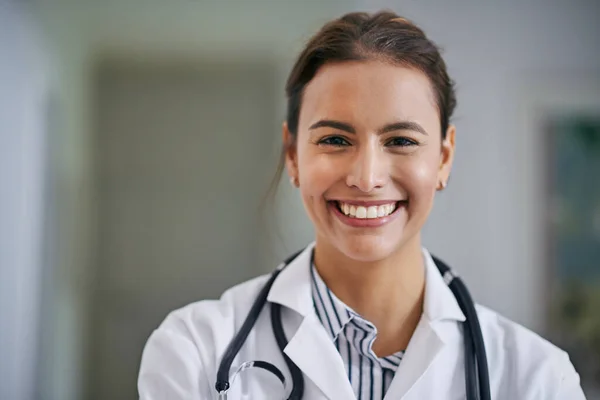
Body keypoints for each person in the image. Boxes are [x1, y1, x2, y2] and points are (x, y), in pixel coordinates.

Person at [137, 11, 585, 400]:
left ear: (444, 157)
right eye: (335, 139)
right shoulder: (194, 351)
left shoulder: (538, 379)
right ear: (293, 155)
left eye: (401, 141)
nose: (367, 178)